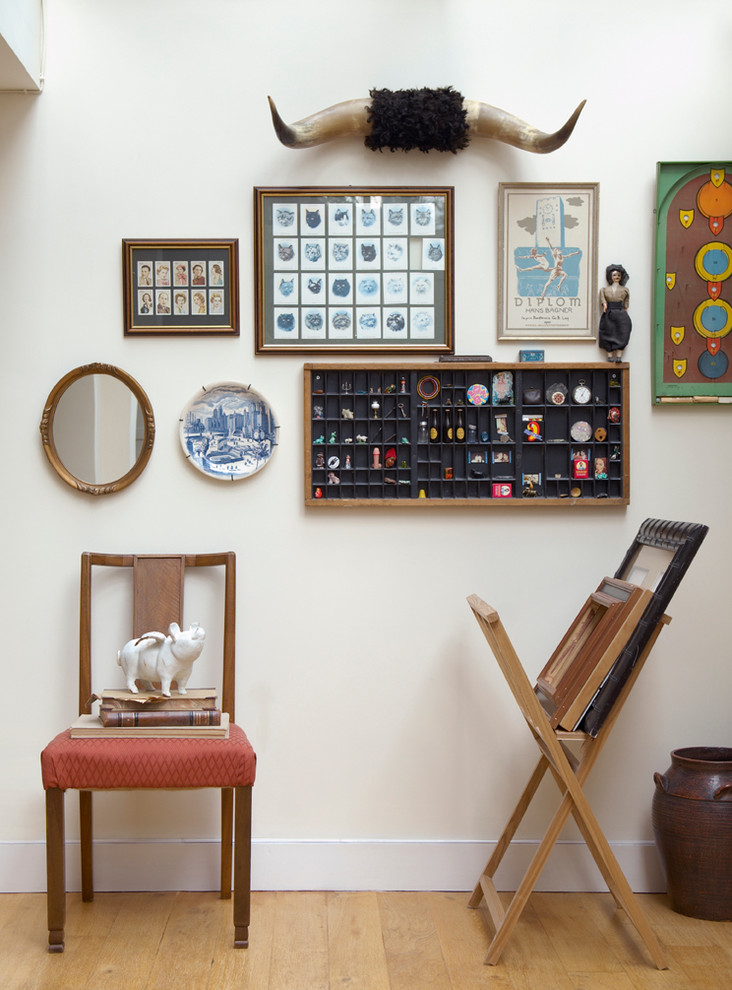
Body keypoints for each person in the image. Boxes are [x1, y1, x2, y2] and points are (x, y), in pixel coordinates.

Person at [599, 264, 631, 361]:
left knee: (622, 333)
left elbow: (626, 302)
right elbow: (603, 299)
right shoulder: (604, 290)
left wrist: (625, 309)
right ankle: (609, 356)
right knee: (607, 332)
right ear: (610, 276)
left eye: (618, 275)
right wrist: (604, 305)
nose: (616, 277)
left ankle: (618, 356)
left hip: (621, 314)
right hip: (609, 314)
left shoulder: (625, 290)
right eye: (614, 275)